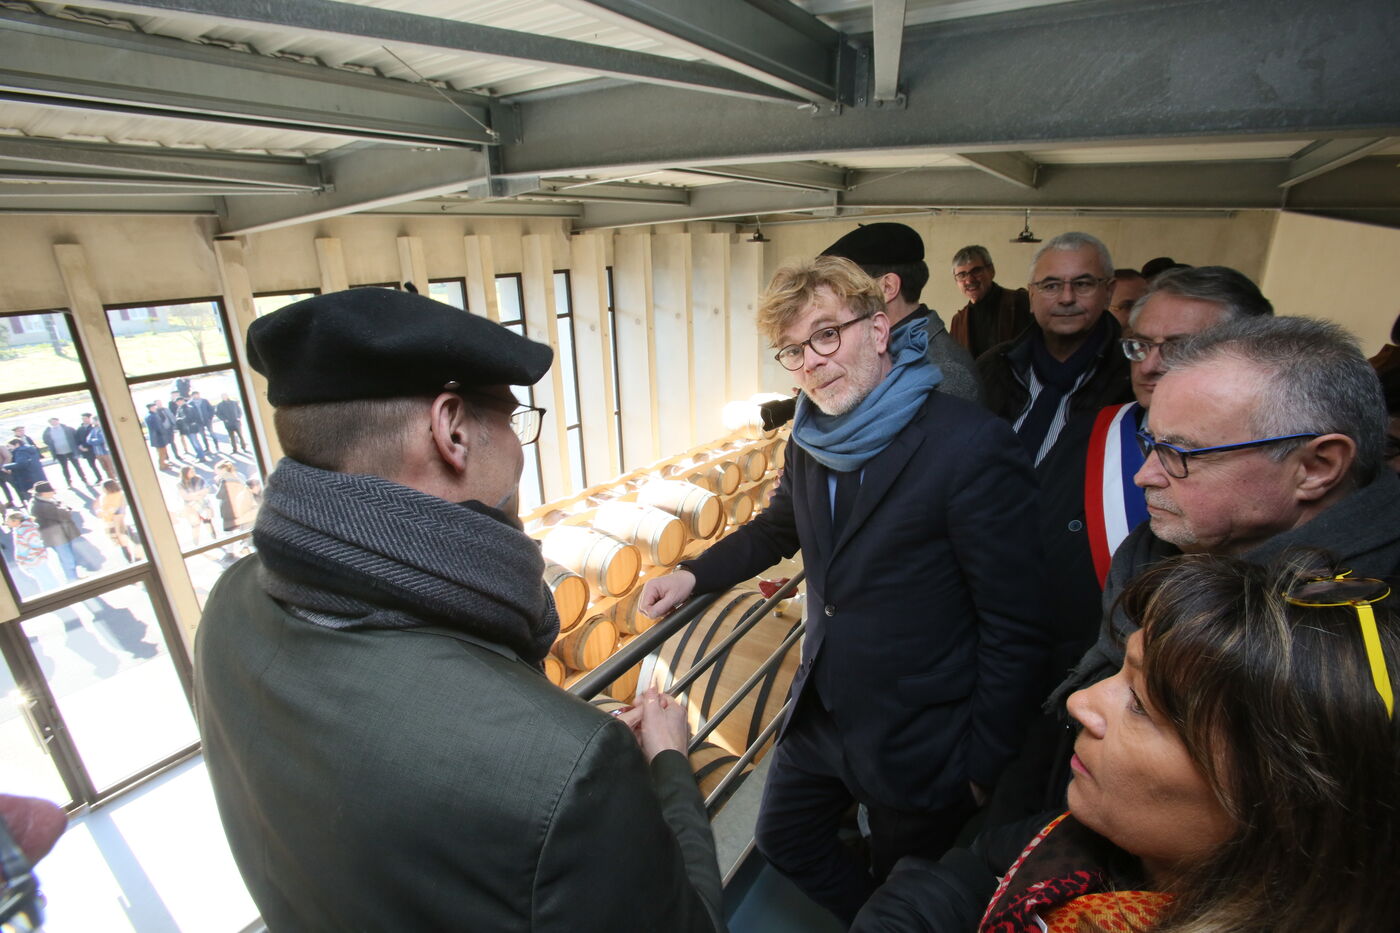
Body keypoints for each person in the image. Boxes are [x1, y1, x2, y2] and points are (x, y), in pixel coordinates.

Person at [195, 287, 724, 932]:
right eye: (512, 419)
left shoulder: (226, 605)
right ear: (452, 430)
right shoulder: (571, 768)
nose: (520, 446)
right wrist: (667, 764)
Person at [640, 256, 1049, 926]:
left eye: (827, 334)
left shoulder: (969, 445)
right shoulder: (809, 437)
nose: (812, 361)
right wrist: (693, 574)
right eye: (793, 350)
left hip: (919, 731)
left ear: (879, 329)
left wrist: (983, 764)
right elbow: (779, 526)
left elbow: (1017, 623)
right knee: (784, 838)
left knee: (904, 881)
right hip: (822, 709)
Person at [852, 551, 1400, 933]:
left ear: (1281, 800)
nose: (1079, 702)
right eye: (1122, 671)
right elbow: (965, 876)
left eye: (1140, 703)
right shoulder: (1078, 837)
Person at [977, 233, 1132, 676]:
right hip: (984, 573)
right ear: (1031, 296)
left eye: (1082, 284)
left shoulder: (1132, 381)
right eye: (1050, 285)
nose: (1065, 298)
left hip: (1074, 599)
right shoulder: (994, 366)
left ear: (1108, 291)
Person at [1084, 266, 1274, 587]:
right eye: (1141, 344)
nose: (1149, 366)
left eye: (1181, 348)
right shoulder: (1092, 431)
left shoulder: (1276, 453)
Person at [821, 223, 982, 404]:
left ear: (887, 287)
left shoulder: (944, 373)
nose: (836, 301)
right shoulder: (888, 349)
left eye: (845, 290)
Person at [948, 245, 1033, 359]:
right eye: (962, 275)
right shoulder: (958, 322)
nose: (969, 280)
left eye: (976, 271)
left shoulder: (1020, 302)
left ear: (991, 270)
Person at [29, 482, 83, 582]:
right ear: (44, 493)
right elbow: (64, 514)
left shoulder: (42, 501)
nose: (53, 492)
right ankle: (72, 580)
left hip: (59, 534)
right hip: (57, 537)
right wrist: (65, 508)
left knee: (67, 557)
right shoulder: (41, 506)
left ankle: (74, 578)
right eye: (51, 491)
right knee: (67, 559)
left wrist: (63, 507)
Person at [6, 511, 61, 593]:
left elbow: (36, 545)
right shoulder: (21, 529)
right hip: (32, 561)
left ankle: (56, 595)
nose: (6, 523)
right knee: (44, 580)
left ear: (16, 521)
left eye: (8, 521)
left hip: (35, 560)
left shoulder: (27, 530)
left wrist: (28, 558)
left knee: (47, 580)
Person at [41, 417, 92, 486]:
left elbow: (75, 436)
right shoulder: (48, 432)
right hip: (59, 453)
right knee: (64, 468)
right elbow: (45, 440)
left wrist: (78, 447)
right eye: (51, 422)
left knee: (77, 466)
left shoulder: (67, 429)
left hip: (70, 451)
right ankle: (69, 483)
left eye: (54, 421)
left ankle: (85, 480)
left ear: (58, 421)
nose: (53, 423)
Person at [95, 479, 137, 563]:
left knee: (123, 544)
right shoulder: (121, 494)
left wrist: (101, 512)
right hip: (121, 521)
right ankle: (135, 557)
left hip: (113, 523)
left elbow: (107, 510)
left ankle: (130, 559)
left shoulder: (105, 497)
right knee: (131, 540)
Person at [212, 460, 257, 533]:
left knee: (233, 531)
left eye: (217, 470)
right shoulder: (239, 476)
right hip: (241, 506)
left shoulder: (225, 480)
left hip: (230, 508)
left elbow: (218, 495)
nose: (216, 473)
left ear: (223, 470)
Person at [176, 466, 214, 544]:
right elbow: (185, 496)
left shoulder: (199, 479)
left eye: (193, 471)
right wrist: (198, 494)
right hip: (190, 507)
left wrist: (194, 495)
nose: (194, 473)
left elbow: (207, 489)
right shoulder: (180, 484)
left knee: (207, 522)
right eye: (191, 471)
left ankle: (214, 539)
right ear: (185, 473)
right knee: (195, 525)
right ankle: (196, 543)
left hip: (202, 504)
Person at [74, 412, 115, 480]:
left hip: (105, 451)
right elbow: (88, 440)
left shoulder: (102, 428)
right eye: (83, 419)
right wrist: (83, 446)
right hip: (96, 452)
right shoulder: (92, 429)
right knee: (105, 468)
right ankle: (109, 479)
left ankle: (116, 479)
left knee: (111, 467)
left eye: (85, 418)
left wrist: (94, 441)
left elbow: (102, 439)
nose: (94, 422)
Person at [144, 401, 176, 469]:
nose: (155, 408)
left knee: (161, 452)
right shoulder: (152, 416)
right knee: (162, 452)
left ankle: (163, 463)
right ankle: (162, 465)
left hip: (157, 437)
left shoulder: (151, 415)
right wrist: (164, 433)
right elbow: (157, 427)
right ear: (151, 408)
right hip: (158, 437)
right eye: (154, 407)